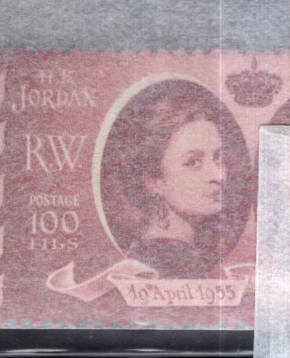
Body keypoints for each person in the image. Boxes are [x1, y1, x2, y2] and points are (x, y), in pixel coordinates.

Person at [100, 81, 250, 278]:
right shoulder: (164, 261)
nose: (218, 175)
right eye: (193, 162)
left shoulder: (185, 255)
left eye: (218, 158)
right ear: (153, 181)